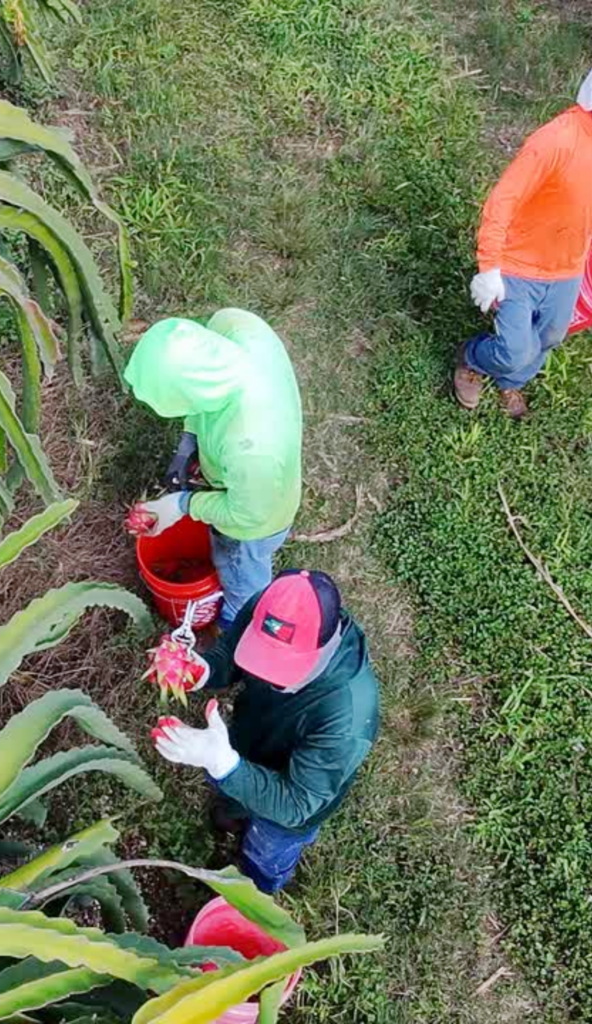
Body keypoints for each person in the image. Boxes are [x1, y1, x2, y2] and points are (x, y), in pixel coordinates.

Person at [152, 570, 379, 892]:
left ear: (322, 650)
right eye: (262, 654)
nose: (265, 672)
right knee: (232, 791)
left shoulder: (348, 717)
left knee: (266, 852)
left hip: (288, 808)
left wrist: (222, 764)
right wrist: (203, 670)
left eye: (280, 665)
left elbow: (296, 803)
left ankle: (257, 891)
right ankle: (232, 812)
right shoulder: (268, 610)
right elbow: (230, 655)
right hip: (248, 742)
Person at [124, 309, 302, 627]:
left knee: (241, 576)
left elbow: (248, 515)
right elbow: (200, 392)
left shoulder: (250, 446)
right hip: (260, 480)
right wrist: (189, 440)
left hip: (255, 525)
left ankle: (236, 628)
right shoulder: (235, 328)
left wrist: (182, 505)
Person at [454, 67, 592, 419]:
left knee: (549, 339)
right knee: (516, 349)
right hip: (518, 265)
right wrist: (489, 268)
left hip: (568, 268)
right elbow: (504, 200)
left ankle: (510, 380)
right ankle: (472, 358)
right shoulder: (556, 140)